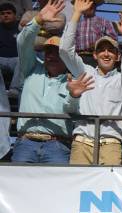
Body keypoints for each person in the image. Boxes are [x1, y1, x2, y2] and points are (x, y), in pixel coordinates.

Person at [11, 0, 89, 164]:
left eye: (55, 52)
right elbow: (22, 42)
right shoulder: (31, 69)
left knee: (57, 190)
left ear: (64, 56)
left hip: (58, 145)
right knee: (19, 188)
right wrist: (38, 19)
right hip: (25, 143)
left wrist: (74, 96)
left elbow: (71, 110)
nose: (50, 56)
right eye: (47, 51)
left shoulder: (72, 79)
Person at [60, 0, 122, 165]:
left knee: (108, 188)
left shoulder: (121, 79)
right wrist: (76, 14)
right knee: (77, 188)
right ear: (95, 55)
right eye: (101, 50)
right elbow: (65, 50)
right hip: (82, 142)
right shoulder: (84, 72)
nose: (106, 54)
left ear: (118, 57)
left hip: (111, 143)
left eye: (111, 51)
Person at [71, 0, 117, 67]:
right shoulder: (76, 23)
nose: (90, 7)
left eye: (92, 4)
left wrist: (98, 44)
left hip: (97, 57)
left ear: (95, 6)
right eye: (87, 4)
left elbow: (113, 40)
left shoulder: (104, 22)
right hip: (78, 57)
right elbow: (71, 41)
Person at [0, 2, 19, 87]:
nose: (5, 15)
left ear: (14, 15)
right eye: (2, 14)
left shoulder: (21, 27)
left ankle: (14, 89)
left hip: (16, 60)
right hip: (1, 59)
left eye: (8, 13)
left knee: (22, 61)